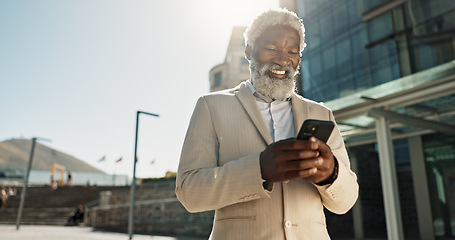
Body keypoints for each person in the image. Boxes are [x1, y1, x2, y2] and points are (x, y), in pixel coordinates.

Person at [176, 8, 359, 239]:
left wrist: (330, 173)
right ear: (249, 51)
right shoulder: (211, 107)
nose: (283, 59)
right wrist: (259, 170)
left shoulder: (322, 114)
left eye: (292, 51)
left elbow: (346, 201)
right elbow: (189, 191)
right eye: (271, 48)